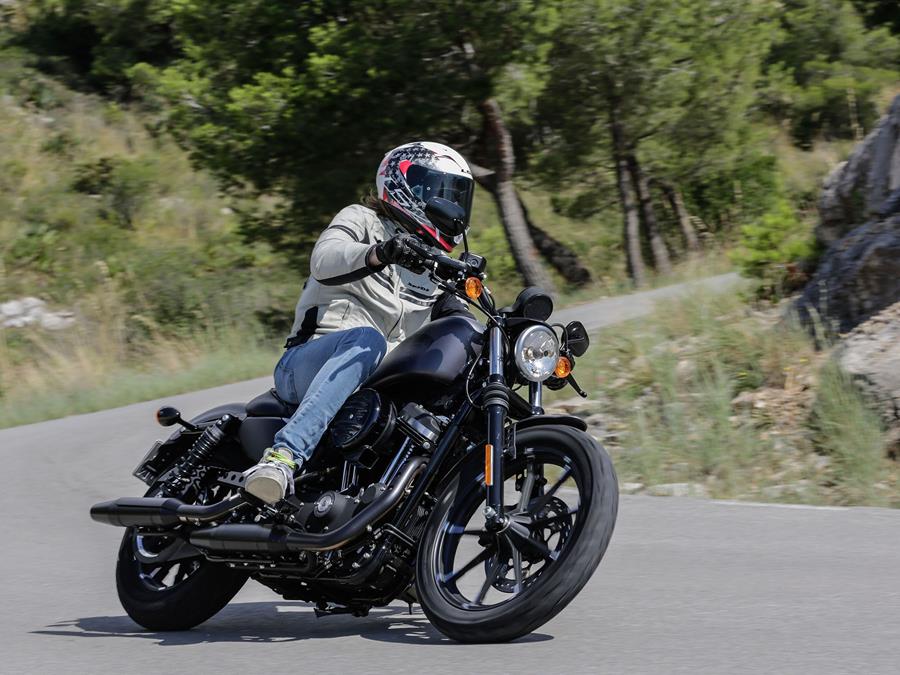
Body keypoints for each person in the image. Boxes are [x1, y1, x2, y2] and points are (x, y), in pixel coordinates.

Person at [243, 141, 476, 503]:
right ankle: (282, 458)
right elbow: (324, 259)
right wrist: (378, 253)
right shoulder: (362, 220)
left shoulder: (435, 269)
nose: (449, 204)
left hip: (376, 385)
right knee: (368, 340)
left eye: (456, 194)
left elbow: (465, 326)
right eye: (438, 190)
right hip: (307, 362)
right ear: (407, 185)